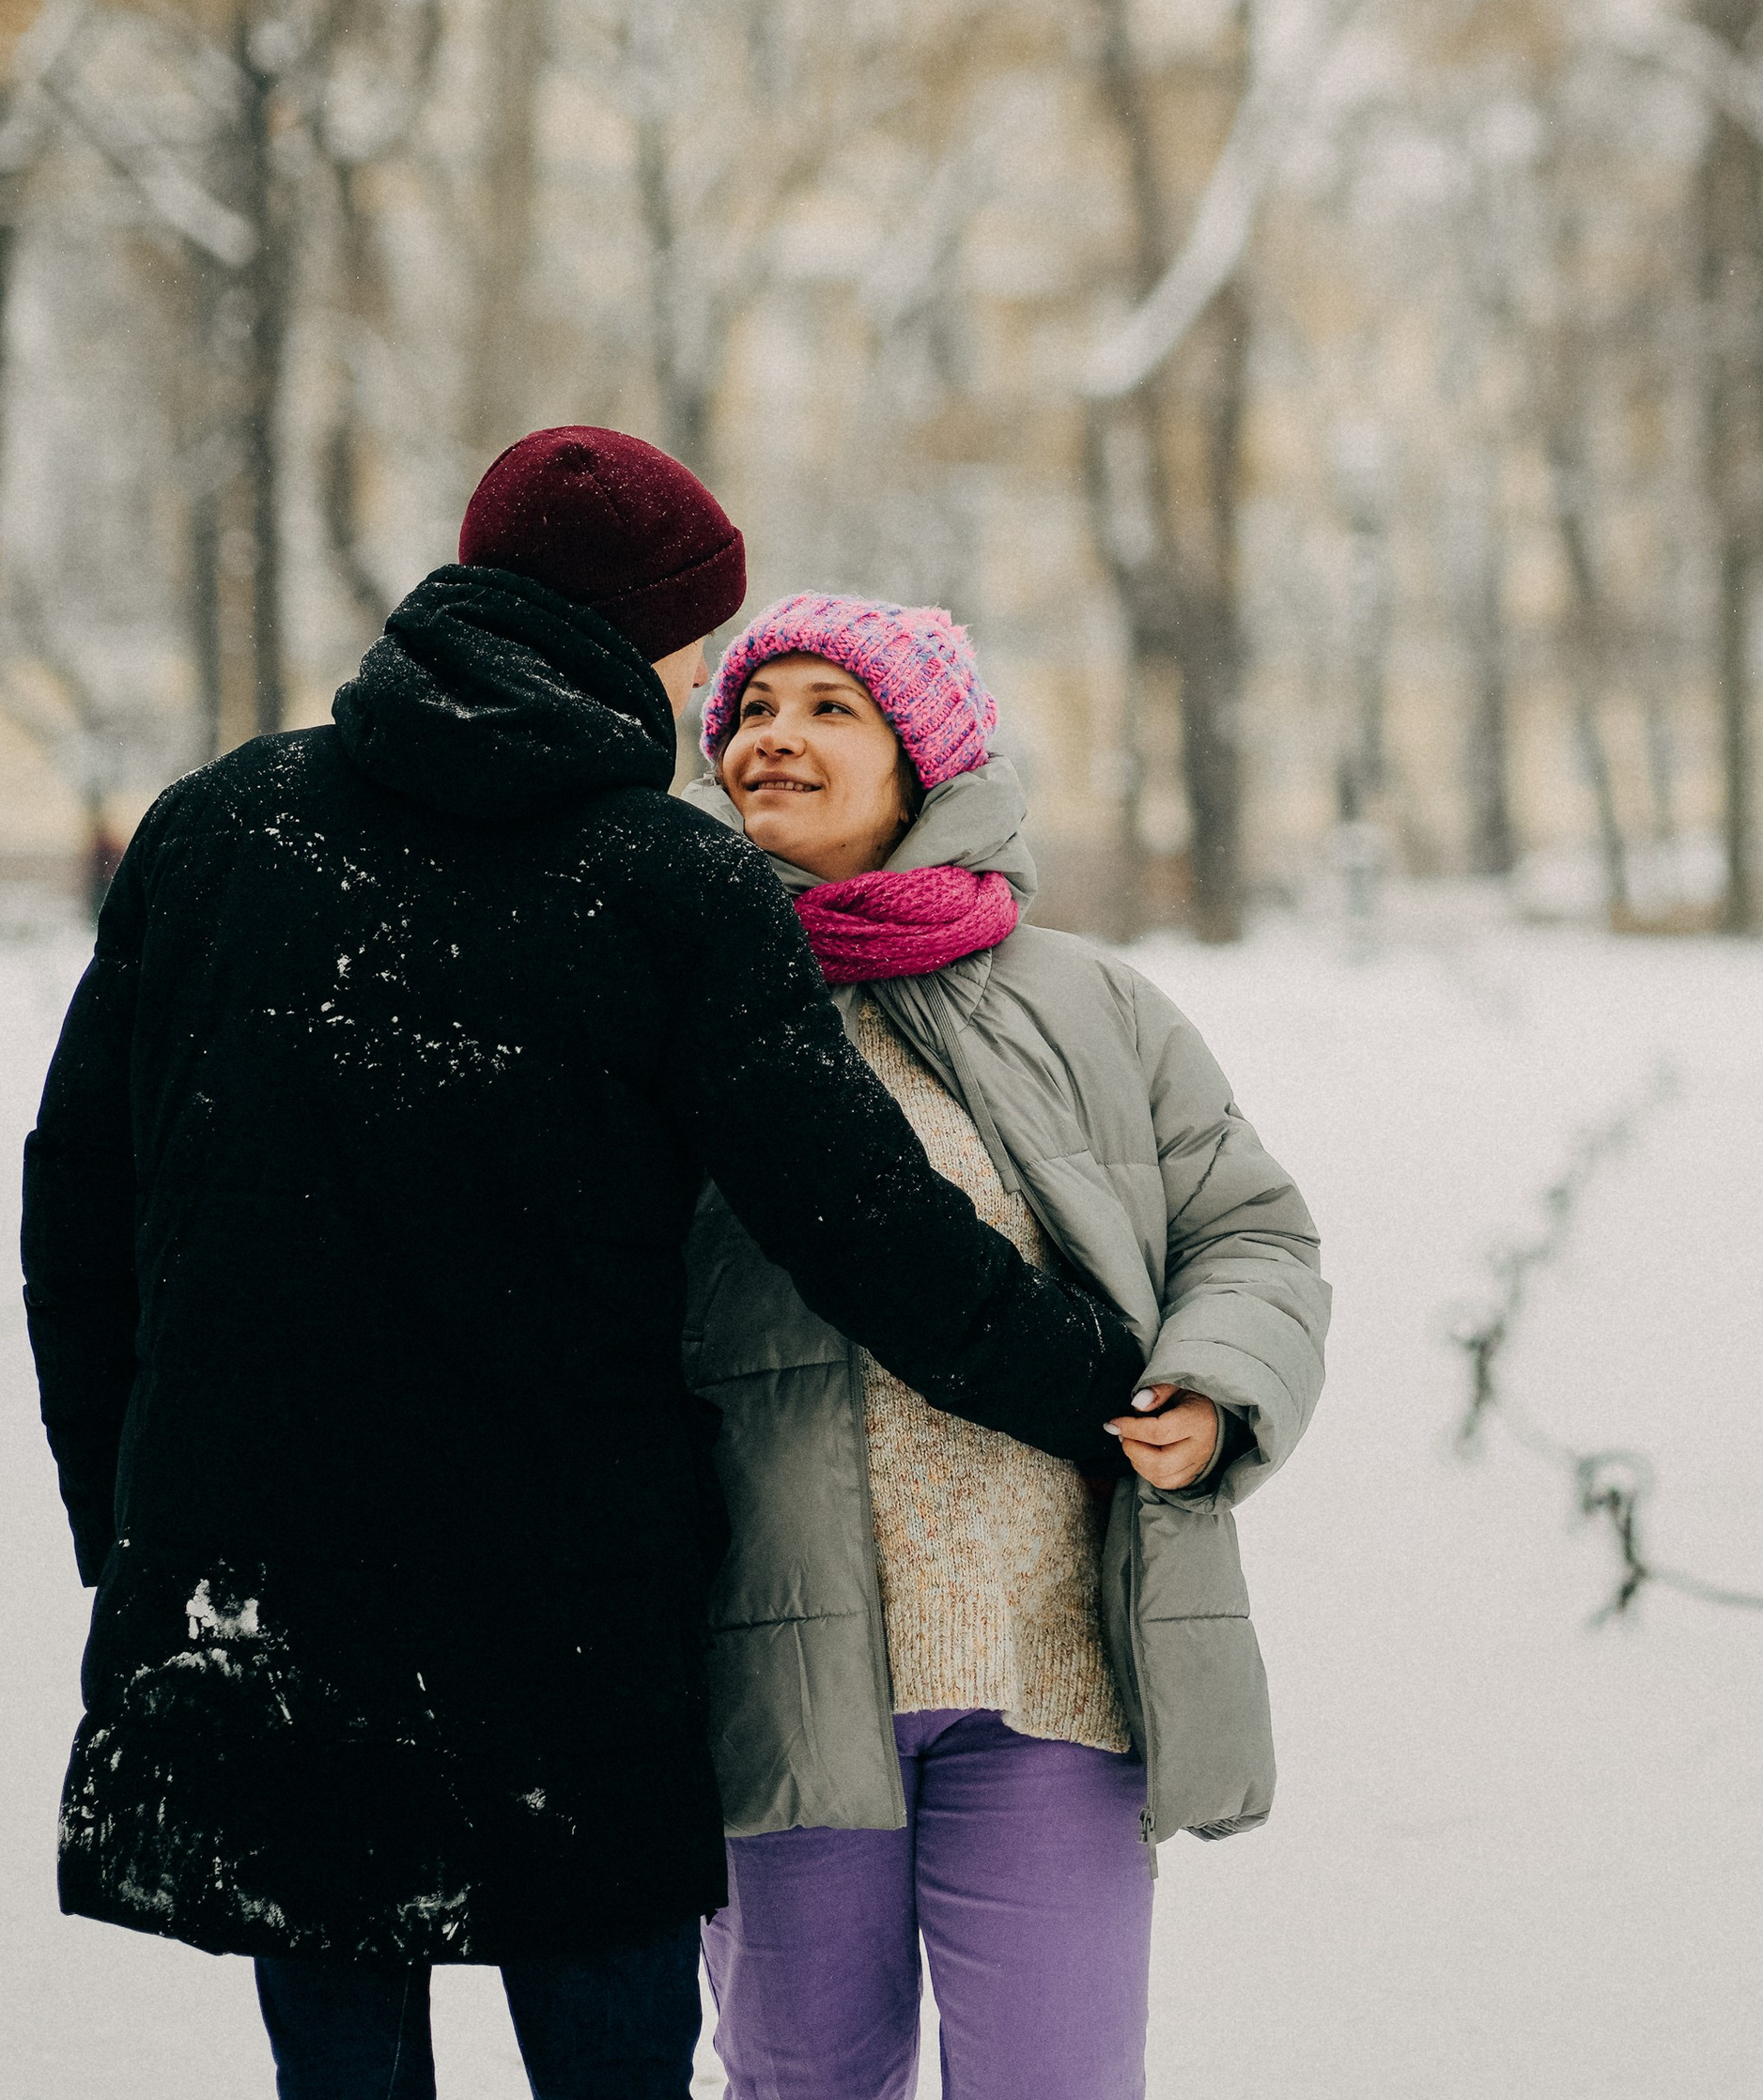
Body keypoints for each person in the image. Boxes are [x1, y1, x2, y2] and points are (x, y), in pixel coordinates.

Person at [21, 431, 1149, 2100]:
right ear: (643, 633)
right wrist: (1100, 1376)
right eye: (704, 634)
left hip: (255, 1596)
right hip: (569, 1627)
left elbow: (74, 1219)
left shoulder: (214, 830)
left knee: (339, 2068)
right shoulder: (669, 878)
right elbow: (864, 1225)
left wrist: (129, 1524)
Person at [684, 592, 1330, 2100]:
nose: (777, 730)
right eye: (751, 707)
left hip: (1054, 1672)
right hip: (775, 1670)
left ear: (927, 758)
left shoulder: (1090, 1004)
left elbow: (1252, 1233)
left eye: (829, 706)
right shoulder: (670, 1002)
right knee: (802, 2086)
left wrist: (1219, 1387)